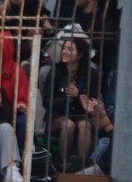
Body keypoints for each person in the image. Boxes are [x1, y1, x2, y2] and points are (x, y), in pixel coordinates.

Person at [41, 36, 99, 173]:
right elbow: (47, 101)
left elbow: (93, 100)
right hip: (57, 116)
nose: (64, 52)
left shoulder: (91, 74)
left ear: (80, 55)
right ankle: (63, 165)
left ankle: (83, 168)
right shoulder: (56, 71)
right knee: (69, 125)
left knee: (85, 125)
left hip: (80, 114)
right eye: (64, 48)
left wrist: (78, 95)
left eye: (70, 49)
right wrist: (67, 100)